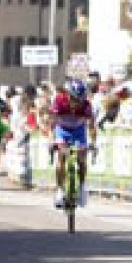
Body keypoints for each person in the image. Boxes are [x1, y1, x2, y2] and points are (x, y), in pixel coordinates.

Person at [49, 79, 96, 208]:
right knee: (62, 156)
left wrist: (93, 142)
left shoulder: (86, 106)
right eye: (74, 99)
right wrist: (51, 139)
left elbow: (92, 126)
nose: (76, 103)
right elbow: (52, 122)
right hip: (62, 130)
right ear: (68, 95)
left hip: (79, 131)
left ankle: (82, 187)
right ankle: (60, 189)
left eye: (79, 100)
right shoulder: (59, 101)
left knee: (81, 159)